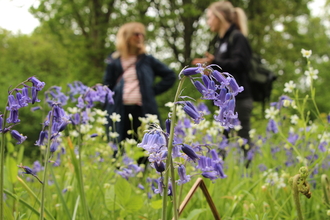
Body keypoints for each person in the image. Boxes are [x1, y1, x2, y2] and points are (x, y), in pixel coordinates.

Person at [192, 1, 253, 159]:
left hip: (239, 99)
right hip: (226, 100)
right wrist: (209, 70)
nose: (208, 22)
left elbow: (242, 64)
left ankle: (246, 171)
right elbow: (223, 67)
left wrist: (215, 62)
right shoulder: (222, 41)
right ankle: (221, 171)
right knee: (223, 142)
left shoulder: (237, 37)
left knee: (243, 140)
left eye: (210, 17)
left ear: (219, 17)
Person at [104, 22, 176, 144]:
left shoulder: (148, 60)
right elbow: (107, 86)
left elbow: (170, 76)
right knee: (119, 146)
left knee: (148, 147)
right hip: (119, 110)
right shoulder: (114, 61)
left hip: (143, 109)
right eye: (136, 34)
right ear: (126, 37)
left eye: (142, 35)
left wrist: (151, 91)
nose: (140, 37)